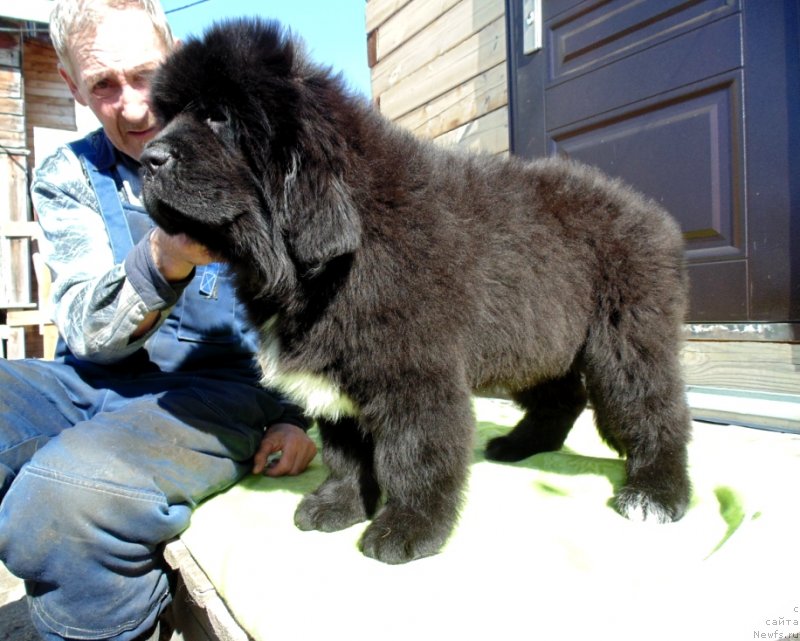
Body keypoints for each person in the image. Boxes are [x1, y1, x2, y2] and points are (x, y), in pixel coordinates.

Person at [0, 1, 317, 640]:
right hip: (92, 376)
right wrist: (162, 259)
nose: (135, 106)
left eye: (145, 74)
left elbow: (320, 300)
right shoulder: (70, 174)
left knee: (61, 500)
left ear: (175, 54)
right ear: (72, 87)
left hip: (221, 389)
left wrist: (301, 416)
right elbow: (86, 326)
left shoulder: (255, 146)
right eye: (104, 86)